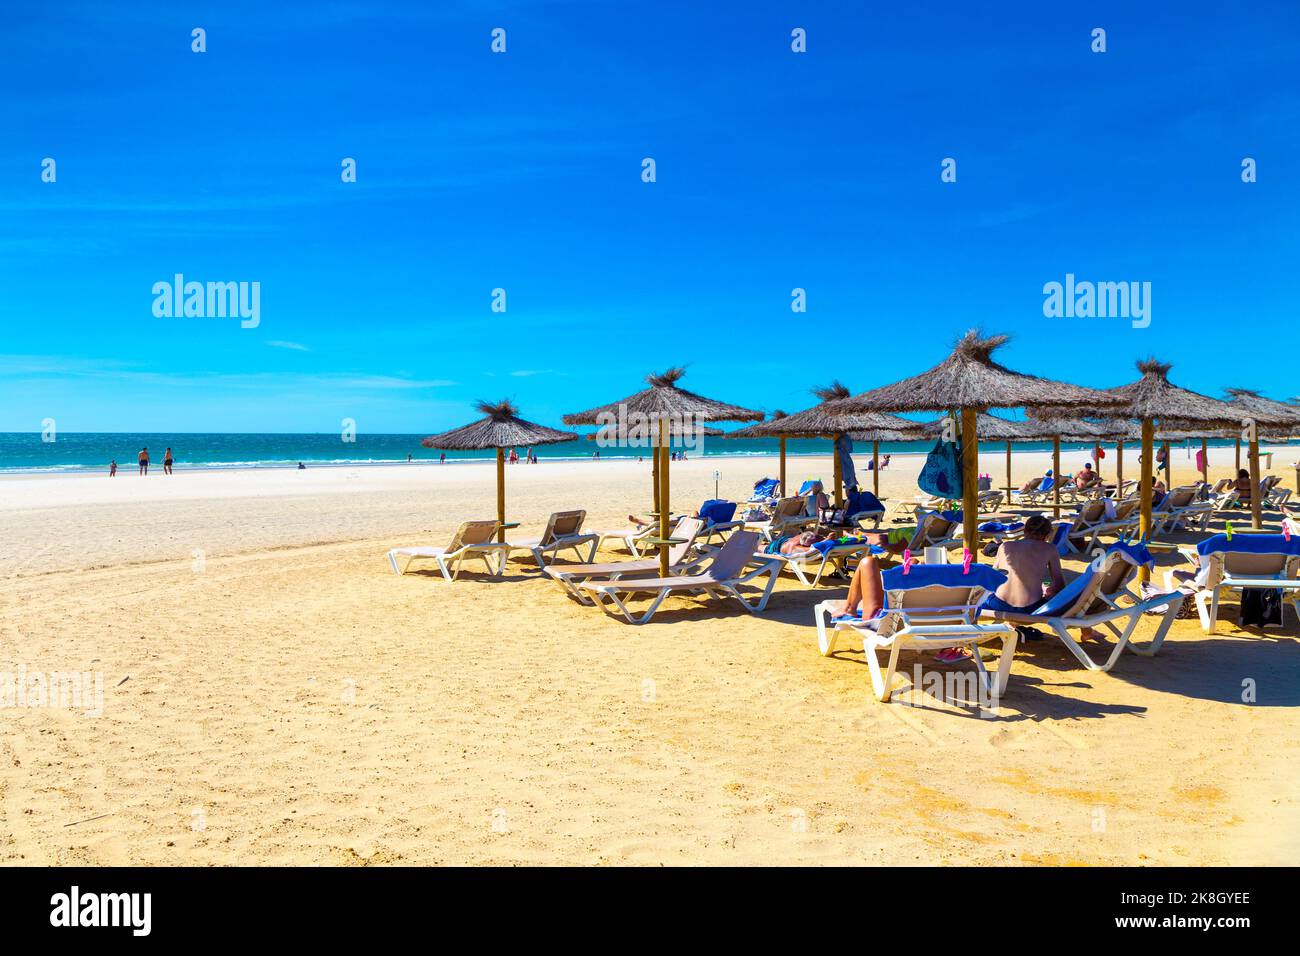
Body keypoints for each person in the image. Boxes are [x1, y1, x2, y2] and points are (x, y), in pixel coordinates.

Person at [987, 514, 1066, 615]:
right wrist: (1048, 591)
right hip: (1030, 608)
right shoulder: (1050, 549)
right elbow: (1060, 585)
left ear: (1024, 531)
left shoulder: (1004, 546)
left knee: (989, 596)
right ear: (1048, 535)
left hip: (1000, 605)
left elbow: (993, 576)